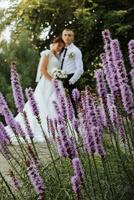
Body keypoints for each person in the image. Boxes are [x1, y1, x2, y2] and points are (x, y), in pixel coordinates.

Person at [5, 37, 65, 142]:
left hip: (54, 84)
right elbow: (42, 69)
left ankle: (55, 126)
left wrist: (58, 78)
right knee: (41, 103)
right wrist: (52, 80)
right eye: (59, 45)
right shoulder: (47, 53)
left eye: (62, 47)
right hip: (46, 83)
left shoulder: (58, 56)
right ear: (54, 43)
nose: (60, 48)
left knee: (53, 103)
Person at [60, 28, 84, 117]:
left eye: (69, 35)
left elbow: (80, 69)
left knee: (72, 104)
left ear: (73, 37)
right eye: (65, 35)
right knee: (62, 104)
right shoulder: (60, 49)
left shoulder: (76, 51)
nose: (67, 37)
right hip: (59, 79)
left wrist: (71, 81)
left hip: (70, 79)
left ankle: (76, 126)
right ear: (62, 36)